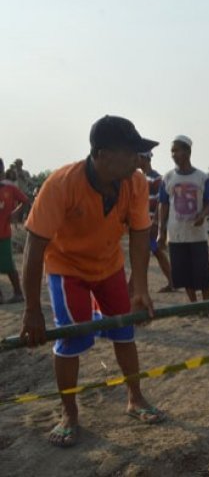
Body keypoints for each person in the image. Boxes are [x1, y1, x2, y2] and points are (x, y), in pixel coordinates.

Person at [19, 115, 165, 448]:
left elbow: (141, 235)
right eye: (131, 152)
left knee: (124, 331)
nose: (137, 159)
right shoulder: (61, 184)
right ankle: (69, 412)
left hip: (108, 265)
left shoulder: (136, 182)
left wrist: (139, 287)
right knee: (72, 339)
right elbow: (34, 245)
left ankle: (135, 398)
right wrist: (31, 310)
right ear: (102, 154)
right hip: (66, 268)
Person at [157, 135, 209, 319]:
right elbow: (163, 205)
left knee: (202, 272)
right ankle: (194, 305)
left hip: (197, 234)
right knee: (183, 272)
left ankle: (207, 305)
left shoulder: (202, 178)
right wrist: (161, 230)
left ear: (188, 152)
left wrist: (203, 214)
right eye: (172, 151)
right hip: (176, 234)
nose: (174, 154)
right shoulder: (168, 178)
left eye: (177, 150)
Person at [137, 151, 174, 292]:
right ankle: (171, 281)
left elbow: (161, 203)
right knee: (155, 252)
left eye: (138, 157)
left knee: (145, 253)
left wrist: (157, 223)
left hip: (151, 224)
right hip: (144, 223)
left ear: (144, 159)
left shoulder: (157, 179)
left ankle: (133, 287)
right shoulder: (142, 178)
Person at [0, 158, 30, 303]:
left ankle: (18, 292)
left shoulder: (10, 189)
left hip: (3, 234)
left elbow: (26, 201)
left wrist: (16, 213)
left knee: (7, 265)